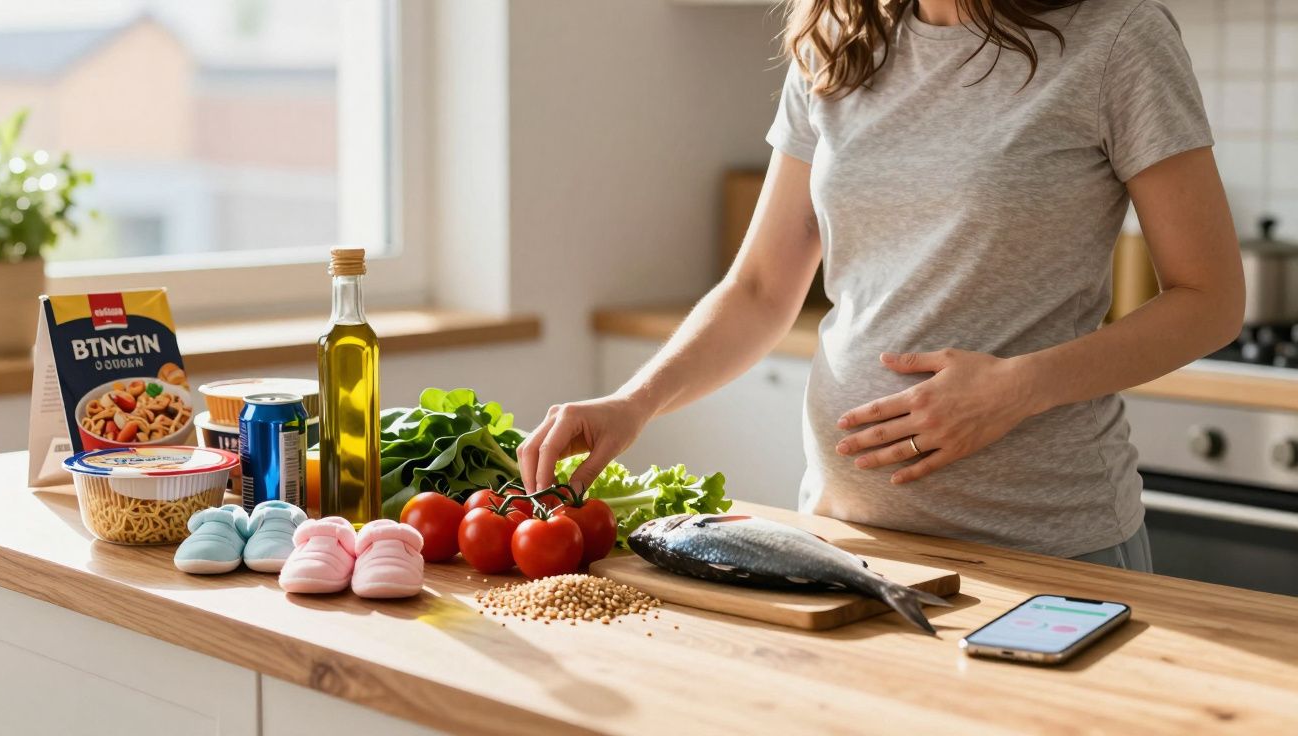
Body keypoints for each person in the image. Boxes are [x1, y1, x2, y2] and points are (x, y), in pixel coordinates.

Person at [518, 0, 1243, 571]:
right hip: (845, 543)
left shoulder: (1116, 39)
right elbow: (762, 288)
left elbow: (1210, 298)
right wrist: (634, 402)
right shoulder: (838, 39)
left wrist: (1021, 386)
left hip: (1047, 548)